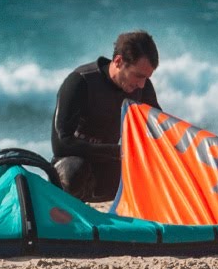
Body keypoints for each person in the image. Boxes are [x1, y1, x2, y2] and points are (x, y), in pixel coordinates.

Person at [50, 30, 161, 202]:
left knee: (154, 173)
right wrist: (119, 152)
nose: (142, 84)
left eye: (146, 78)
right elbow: (62, 144)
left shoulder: (142, 88)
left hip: (105, 168)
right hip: (69, 169)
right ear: (118, 61)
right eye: (138, 75)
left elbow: (159, 131)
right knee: (75, 171)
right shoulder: (80, 81)